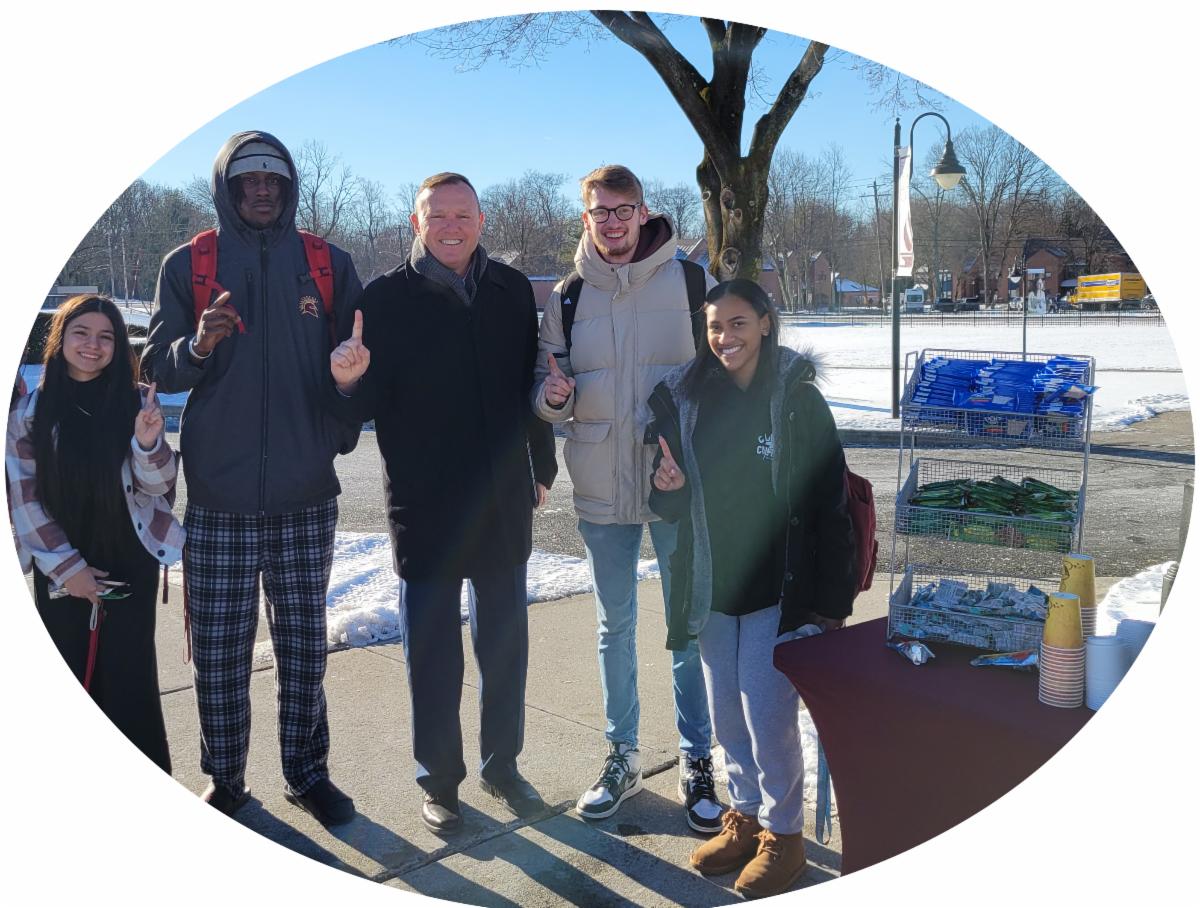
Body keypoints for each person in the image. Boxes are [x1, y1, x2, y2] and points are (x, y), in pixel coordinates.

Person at [142, 131, 363, 825]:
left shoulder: (327, 264)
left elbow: (359, 368)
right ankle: (227, 780)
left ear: (287, 187)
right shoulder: (192, 263)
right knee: (219, 654)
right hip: (218, 498)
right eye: (248, 181)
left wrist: (347, 403)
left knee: (302, 652)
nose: (261, 190)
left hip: (305, 496)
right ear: (228, 189)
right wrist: (198, 343)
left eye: (273, 180)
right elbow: (159, 366)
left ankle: (307, 773)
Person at [327, 172, 557, 836]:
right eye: (439, 215)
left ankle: (502, 766)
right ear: (416, 222)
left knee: (505, 645)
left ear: (482, 220)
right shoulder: (384, 299)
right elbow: (361, 407)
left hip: (502, 497)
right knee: (432, 653)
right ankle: (440, 781)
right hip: (425, 504)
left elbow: (528, 389)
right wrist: (347, 380)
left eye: (463, 213)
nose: (451, 225)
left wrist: (542, 465)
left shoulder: (511, 291)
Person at [647, 279, 857, 899]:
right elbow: (674, 502)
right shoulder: (689, 400)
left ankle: (785, 837)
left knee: (769, 717)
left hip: (780, 591)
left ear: (766, 323)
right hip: (716, 587)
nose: (724, 338)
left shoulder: (798, 401)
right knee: (727, 715)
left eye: (738, 324)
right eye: (714, 327)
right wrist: (666, 485)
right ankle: (744, 818)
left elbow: (831, 503)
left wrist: (831, 605)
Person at [531, 164, 720, 832]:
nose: (612, 222)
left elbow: (726, 385)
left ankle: (698, 759)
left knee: (686, 629)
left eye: (624, 209)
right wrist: (552, 400)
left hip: (675, 487)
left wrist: (694, 470)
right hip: (599, 486)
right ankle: (622, 756)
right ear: (585, 219)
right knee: (614, 626)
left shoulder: (693, 283)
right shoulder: (569, 295)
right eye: (599, 212)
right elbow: (546, 384)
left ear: (645, 212)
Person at [7, 294, 184, 772]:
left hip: (130, 561)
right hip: (63, 568)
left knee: (130, 684)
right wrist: (70, 571)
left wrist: (149, 442)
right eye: (81, 333)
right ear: (60, 338)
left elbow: (160, 485)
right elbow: (24, 500)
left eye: (106, 337)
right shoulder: (30, 412)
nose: (93, 345)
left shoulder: (133, 401)